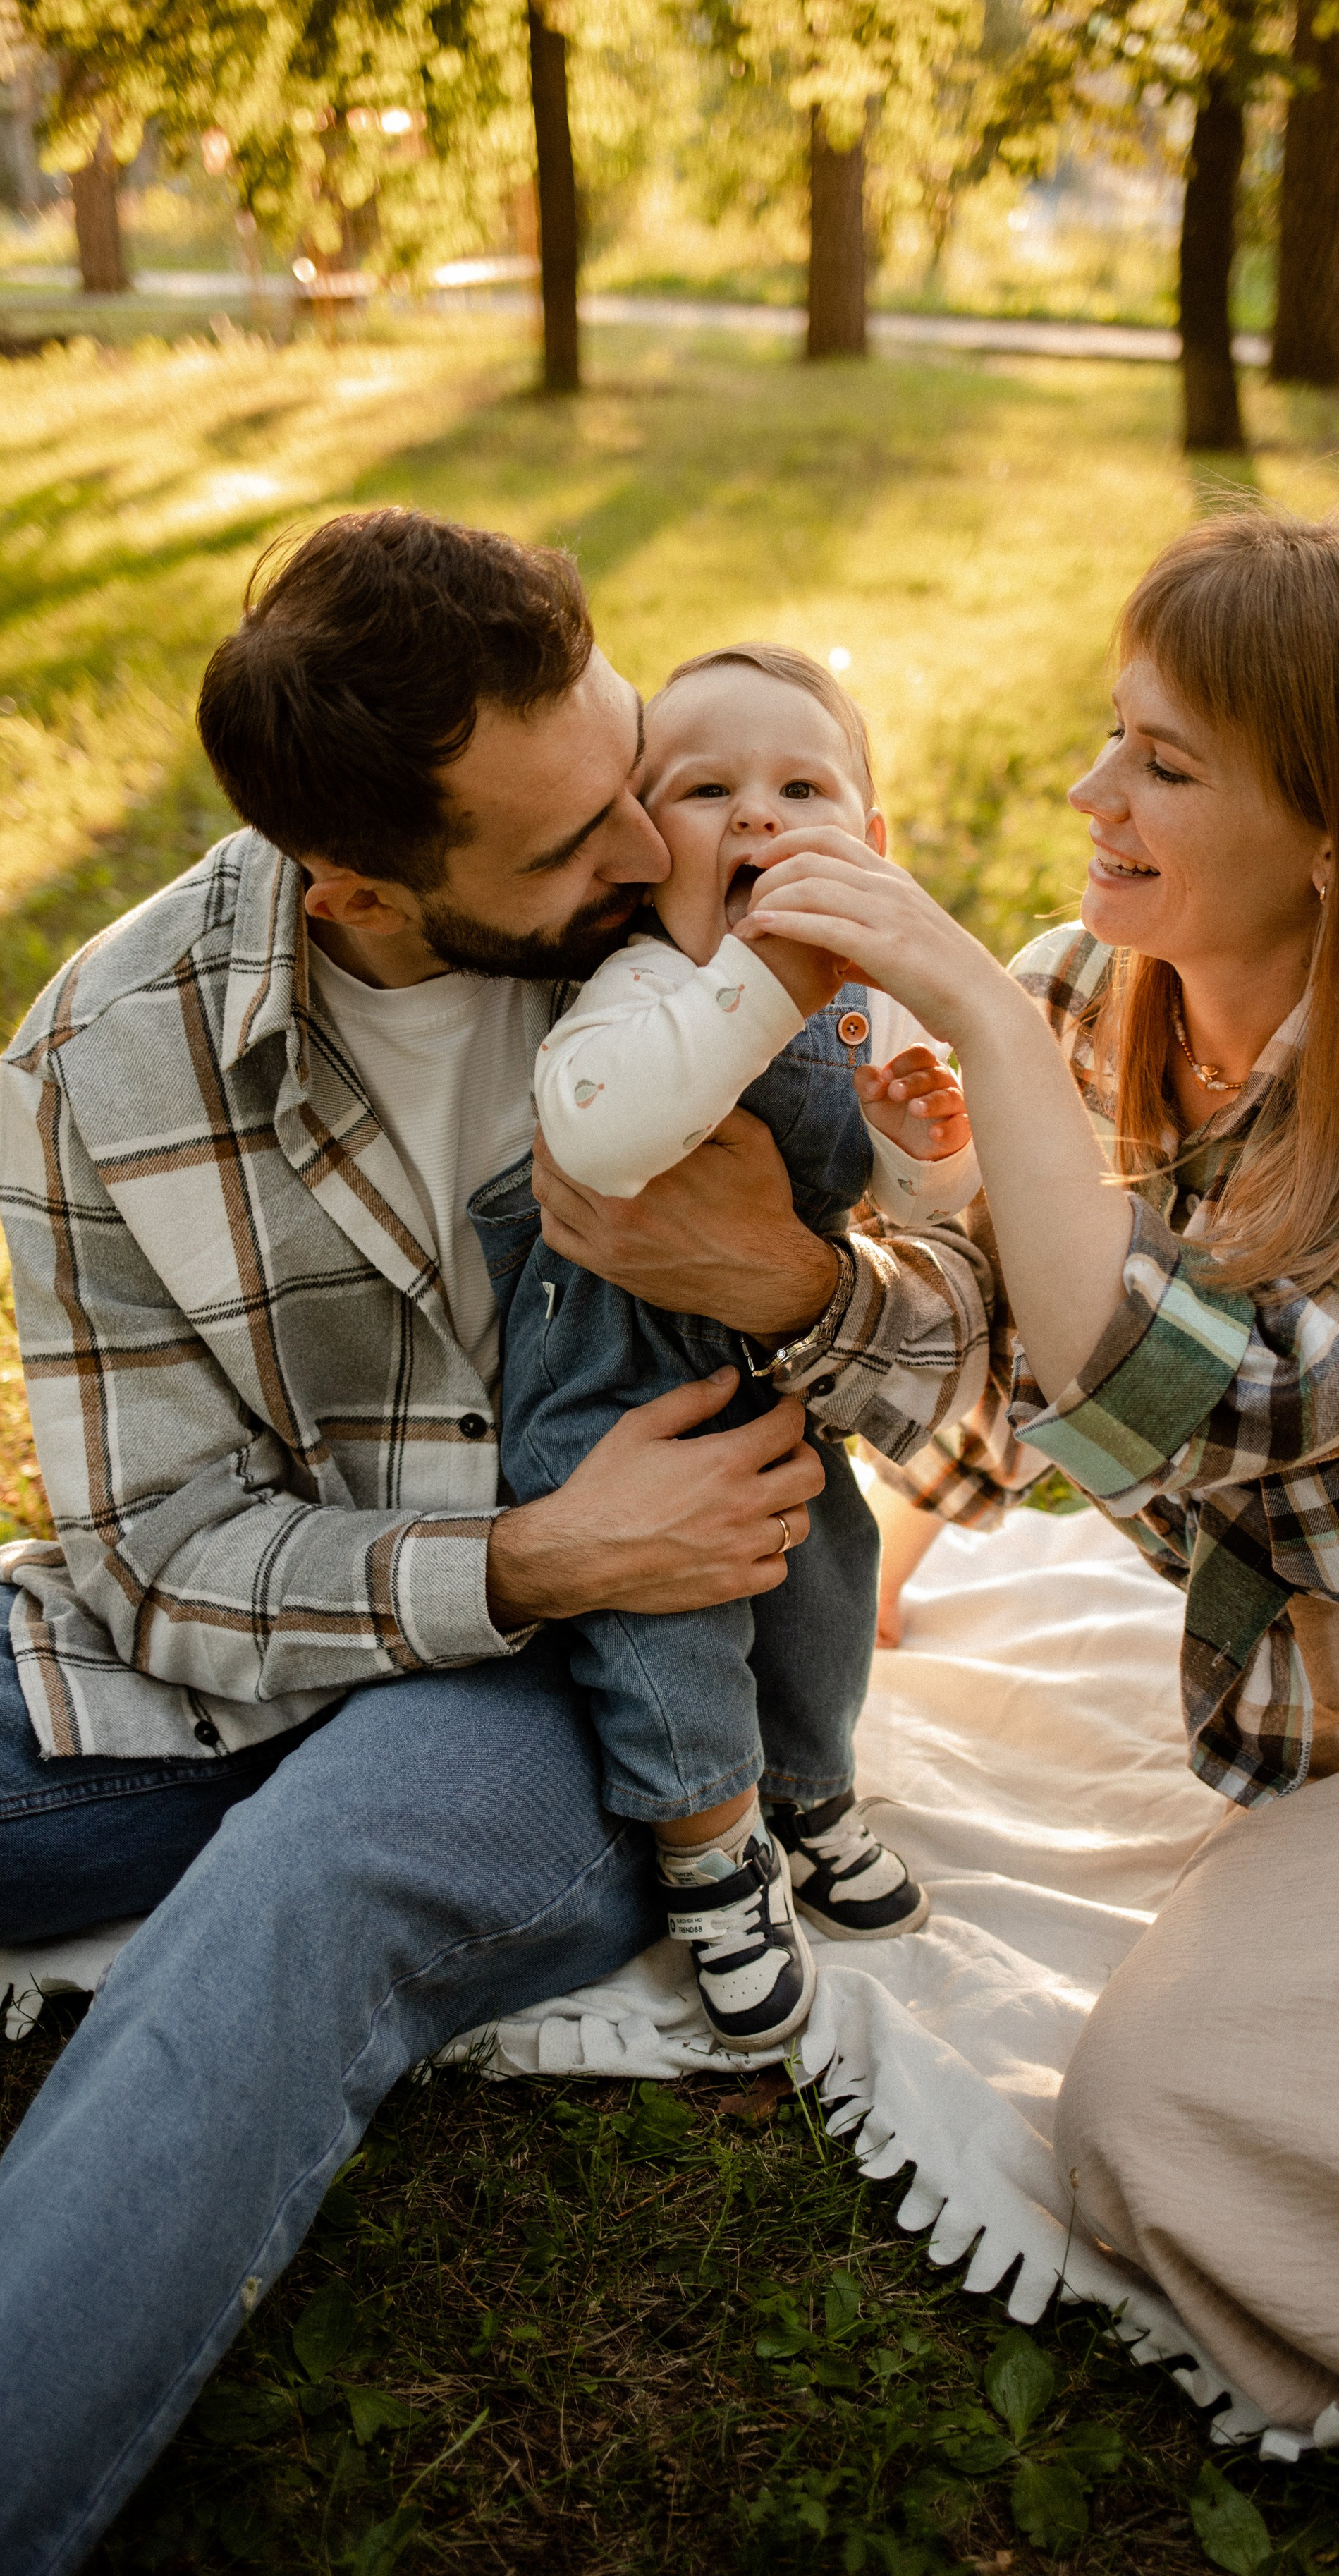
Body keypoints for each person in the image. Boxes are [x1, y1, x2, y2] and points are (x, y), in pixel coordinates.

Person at [0, 509, 995, 2575]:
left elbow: (995, 1397)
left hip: (577, 1707)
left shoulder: (733, 937)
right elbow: (157, 1549)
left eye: (627, 755)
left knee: (286, 1909)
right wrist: (533, 1552)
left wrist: (798, 1281)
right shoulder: (111, 1050)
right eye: (564, 845)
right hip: (253, 1636)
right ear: (355, 879)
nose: (648, 843)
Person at [732, 505, 1339, 2515]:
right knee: (1168, 2115)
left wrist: (961, 1020)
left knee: (1176, 2116)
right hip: (1326, 1733)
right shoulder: (1081, 993)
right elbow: (1004, 1355)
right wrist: (894, 1565)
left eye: (1166, 763)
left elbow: (1175, 1410)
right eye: (1114, 736)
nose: (1087, 792)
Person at [474, 644, 977, 2049]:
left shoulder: (867, 1005)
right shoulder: (641, 986)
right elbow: (609, 1129)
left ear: (869, 845)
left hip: (777, 1374)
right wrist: (762, 969)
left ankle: (812, 1788)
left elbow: (921, 1208)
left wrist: (923, 1137)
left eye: (800, 787)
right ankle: (711, 1853)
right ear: (645, 850)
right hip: (612, 1387)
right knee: (672, 1628)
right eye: (704, 790)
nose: (757, 818)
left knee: (821, 1582)